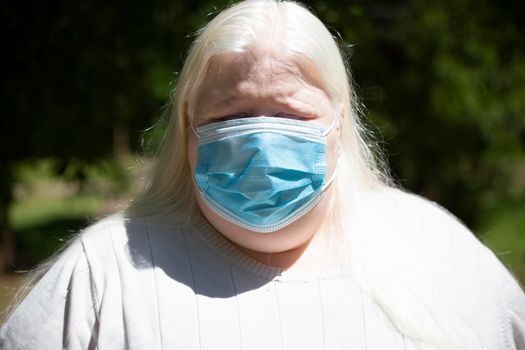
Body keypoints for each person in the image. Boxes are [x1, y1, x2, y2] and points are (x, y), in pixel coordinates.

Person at [1, 0, 524, 349]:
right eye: (229, 117)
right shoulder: (104, 274)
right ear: (186, 128)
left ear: (339, 124)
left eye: (292, 115)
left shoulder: (438, 253)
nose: (260, 139)